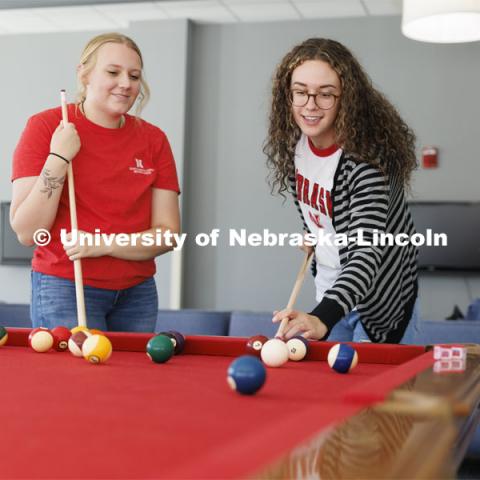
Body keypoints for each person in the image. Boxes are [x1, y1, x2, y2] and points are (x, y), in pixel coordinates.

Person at [10, 32, 180, 332]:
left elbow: (168, 235)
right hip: (64, 286)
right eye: (113, 72)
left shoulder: (154, 140)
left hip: (137, 294)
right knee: (72, 381)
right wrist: (58, 158)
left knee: (132, 381)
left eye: (134, 75)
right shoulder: (46, 126)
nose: (126, 83)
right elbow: (27, 232)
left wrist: (102, 244)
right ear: (84, 74)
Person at [264, 38, 418, 343]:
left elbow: (365, 249)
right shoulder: (299, 149)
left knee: (379, 392)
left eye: (325, 94)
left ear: (346, 98)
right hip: (331, 294)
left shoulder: (367, 160)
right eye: (300, 92)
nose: (310, 105)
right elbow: (320, 213)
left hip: (380, 302)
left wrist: (322, 317)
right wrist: (315, 236)